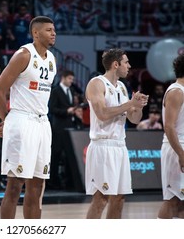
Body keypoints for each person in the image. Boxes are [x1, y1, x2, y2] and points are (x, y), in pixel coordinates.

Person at [0, 16, 57, 219]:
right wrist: (8, 121)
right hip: (22, 120)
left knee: (37, 187)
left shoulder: (52, 59)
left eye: (54, 30)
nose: (53, 33)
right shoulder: (23, 55)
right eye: (48, 30)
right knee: (15, 186)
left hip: (43, 123)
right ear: (36, 33)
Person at [84, 48, 148, 219]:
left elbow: (134, 119)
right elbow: (102, 114)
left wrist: (138, 107)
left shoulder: (121, 87)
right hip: (102, 146)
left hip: (120, 146)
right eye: (126, 62)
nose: (129, 66)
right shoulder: (96, 83)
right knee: (101, 198)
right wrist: (129, 104)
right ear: (115, 64)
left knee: (119, 198)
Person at [158, 54, 184, 219]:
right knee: (172, 199)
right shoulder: (176, 91)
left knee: (182, 200)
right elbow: (169, 126)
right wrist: (181, 153)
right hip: (176, 147)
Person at [48, 69, 77, 190]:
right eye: (70, 79)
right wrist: (66, 111)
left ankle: (69, 182)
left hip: (69, 127)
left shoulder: (71, 90)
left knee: (69, 155)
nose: (71, 81)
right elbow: (52, 109)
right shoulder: (55, 91)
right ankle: (52, 182)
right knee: (56, 155)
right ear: (63, 78)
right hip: (58, 128)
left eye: (72, 79)